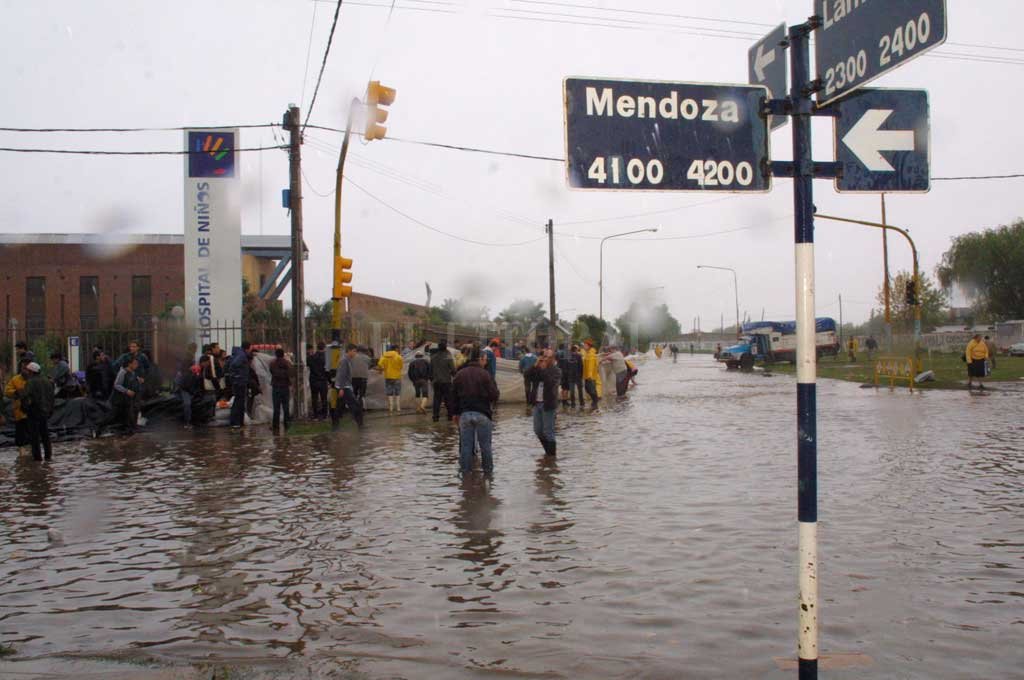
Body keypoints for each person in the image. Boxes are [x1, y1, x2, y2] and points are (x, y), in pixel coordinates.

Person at [452, 348, 500, 477]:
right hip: (483, 414)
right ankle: (488, 475)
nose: (486, 362)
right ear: (480, 359)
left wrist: (455, 413)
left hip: (465, 414)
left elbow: (453, 397)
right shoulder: (485, 374)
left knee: (466, 447)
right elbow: (494, 395)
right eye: (485, 359)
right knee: (485, 447)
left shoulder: (460, 374)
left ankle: (465, 476)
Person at [527, 349, 561, 457]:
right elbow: (526, 375)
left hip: (548, 404)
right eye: (544, 356)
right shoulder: (538, 368)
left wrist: (544, 370)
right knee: (537, 430)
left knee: (548, 431)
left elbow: (551, 383)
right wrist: (535, 365)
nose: (545, 359)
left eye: (548, 357)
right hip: (537, 403)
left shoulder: (556, 370)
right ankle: (548, 452)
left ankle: (551, 457)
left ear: (553, 359)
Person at [22, 362, 55, 461]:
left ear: (31, 372)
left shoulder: (30, 382)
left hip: (34, 412)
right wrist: (50, 410)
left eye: (27, 370)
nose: (26, 372)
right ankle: (48, 457)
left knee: (34, 437)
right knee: (45, 435)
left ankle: (37, 458)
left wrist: (25, 408)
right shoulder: (47, 381)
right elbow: (51, 397)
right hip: (45, 412)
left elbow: (25, 396)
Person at [103, 356, 141, 436]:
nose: (136, 365)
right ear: (129, 364)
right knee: (112, 416)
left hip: (127, 400)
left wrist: (138, 380)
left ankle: (131, 430)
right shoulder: (123, 372)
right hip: (118, 400)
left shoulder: (133, 373)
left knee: (130, 415)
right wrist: (126, 391)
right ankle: (100, 428)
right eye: (135, 364)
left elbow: (133, 381)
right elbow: (116, 385)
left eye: (137, 364)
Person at [331, 344, 364, 429]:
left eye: (355, 351)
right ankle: (360, 424)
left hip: (344, 386)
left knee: (339, 407)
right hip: (344, 387)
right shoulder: (344, 360)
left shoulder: (348, 360)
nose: (355, 353)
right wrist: (341, 388)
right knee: (355, 405)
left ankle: (335, 425)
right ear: (349, 351)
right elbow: (342, 375)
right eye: (354, 351)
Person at [4, 361, 31, 458]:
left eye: (27, 369)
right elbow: (7, 391)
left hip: (32, 411)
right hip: (19, 411)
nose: (26, 371)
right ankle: (22, 454)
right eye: (24, 368)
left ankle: (31, 452)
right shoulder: (15, 379)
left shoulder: (34, 379)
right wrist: (16, 392)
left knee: (32, 432)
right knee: (20, 434)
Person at [227, 342, 252, 428]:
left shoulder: (240, 354)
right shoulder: (241, 356)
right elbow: (234, 365)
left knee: (239, 402)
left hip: (239, 381)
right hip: (239, 382)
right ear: (247, 348)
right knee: (239, 402)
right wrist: (238, 376)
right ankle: (236, 422)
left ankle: (238, 422)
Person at [430, 340, 456, 422]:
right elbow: (453, 370)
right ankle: (450, 416)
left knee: (436, 399)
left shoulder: (433, 357)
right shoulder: (448, 357)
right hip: (446, 382)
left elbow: (430, 370)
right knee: (448, 399)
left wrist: (433, 379)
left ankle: (435, 416)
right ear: (446, 347)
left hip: (436, 382)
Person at [269, 347, 292, 432]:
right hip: (285, 387)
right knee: (286, 407)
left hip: (276, 387)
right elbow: (290, 373)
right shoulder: (287, 363)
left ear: (276, 355)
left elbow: (271, 371)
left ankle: (276, 425)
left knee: (276, 408)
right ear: (283, 354)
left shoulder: (272, 363)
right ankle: (287, 424)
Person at [175, 345, 198, 429]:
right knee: (187, 404)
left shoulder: (188, 369)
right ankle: (187, 422)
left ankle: (187, 421)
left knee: (187, 404)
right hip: (186, 387)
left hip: (187, 387)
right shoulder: (187, 361)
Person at [377, 344, 405, 414]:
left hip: (388, 376)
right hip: (397, 376)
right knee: (397, 392)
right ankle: (398, 408)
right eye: (398, 349)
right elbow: (401, 366)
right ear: (396, 349)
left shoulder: (384, 356)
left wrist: (381, 369)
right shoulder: (398, 357)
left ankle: (391, 408)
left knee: (389, 392)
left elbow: (379, 364)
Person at [307, 343, 329, 420]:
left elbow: (308, 364)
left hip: (313, 381)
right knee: (324, 398)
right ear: (324, 348)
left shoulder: (311, 357)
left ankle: (315, 415)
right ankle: (325, 415)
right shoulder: (326, 358)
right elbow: (327, 370)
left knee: (314, 398)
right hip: (323, 381)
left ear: (317, 348)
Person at [582, 339, 601, 409]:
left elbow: (591, 365)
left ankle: (595, 402)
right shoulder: (587, 353)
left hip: (591, 376)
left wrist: (589, 375)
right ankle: (594, 402)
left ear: (588, 346)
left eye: (585, 345)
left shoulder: (591, 354)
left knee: (591, 390)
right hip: (587, 375)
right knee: (588, 389)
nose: (584, 346)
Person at [568, 344, 584, 408]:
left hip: (570, 376)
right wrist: (581, 375)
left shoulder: (568, 357)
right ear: (576, 349)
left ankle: (573, 404)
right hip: (578, 376)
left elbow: (566, 367)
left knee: (572, 391)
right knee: (580, 390)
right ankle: (581, 403)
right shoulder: (579, 356)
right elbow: (581, 366)